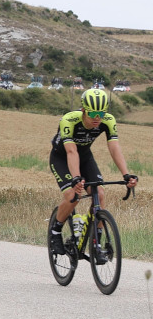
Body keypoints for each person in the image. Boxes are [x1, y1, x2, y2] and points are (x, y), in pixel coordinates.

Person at [48, 88, 138, 254]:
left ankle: (96, 243)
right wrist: (76, 178)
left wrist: (126, 174)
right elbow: (71, 152)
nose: (97, 118)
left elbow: (114, 147)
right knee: (73, 196)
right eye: (93, 113)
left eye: (101, 114)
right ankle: (55, 231)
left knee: (100, 194)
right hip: (62, 157)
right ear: (83, 110)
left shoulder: (108, 121)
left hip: (85, 157)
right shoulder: (69, 120)